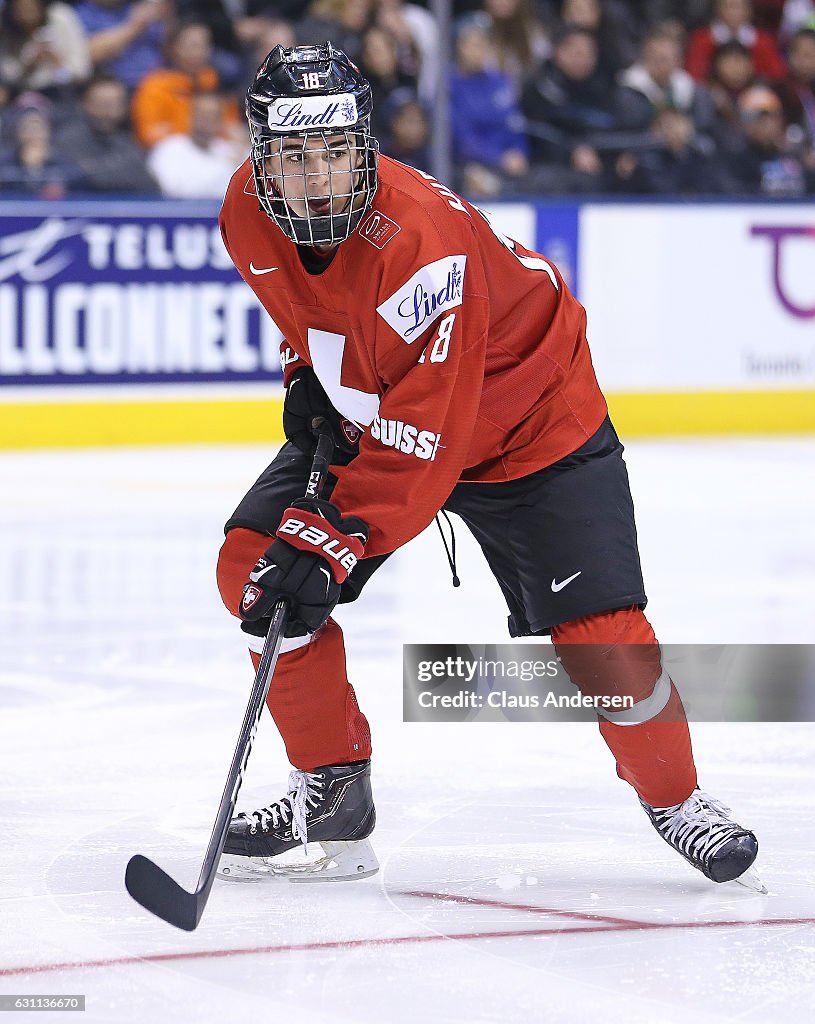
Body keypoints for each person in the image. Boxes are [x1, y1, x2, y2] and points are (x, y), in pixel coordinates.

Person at [214, 42, 762, 889]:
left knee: (603, 645)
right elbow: (313, 312)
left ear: (364, 147)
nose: (315, 175)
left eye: (332, 151)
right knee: (253, 568)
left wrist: (334, 540)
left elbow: (426, 436)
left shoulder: (422, 243)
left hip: (529, 423)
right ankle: (331, 790)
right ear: (260, 156)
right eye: (291, 154)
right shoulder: (246, 215)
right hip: (393, 410)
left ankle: (676, 797)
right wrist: (306, 380)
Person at [55, 73, 157, 192]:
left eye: (115, 105)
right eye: (103, 104)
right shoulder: (68, 139)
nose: (109, 113)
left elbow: (148, 183)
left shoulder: (127, 142)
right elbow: (73, 177)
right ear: (85, 104)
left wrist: (94, 171)